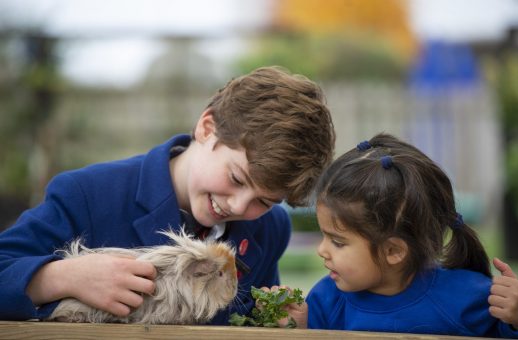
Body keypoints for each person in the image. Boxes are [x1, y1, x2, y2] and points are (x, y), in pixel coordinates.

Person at [0, 66, 336, 324]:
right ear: (207, 128)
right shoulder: (85, 194)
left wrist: (282, 321)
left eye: (264, 201)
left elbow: (245, 319)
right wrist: (62, 277)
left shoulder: (271, 228)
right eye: (236, 177)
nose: (237, 205)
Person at [272, 133, 518, 337]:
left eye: (337, 242)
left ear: (393, 251)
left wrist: (516, 317)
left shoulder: (468, 298)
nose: (321, 250)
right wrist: (298, 327)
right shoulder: (325, 301)